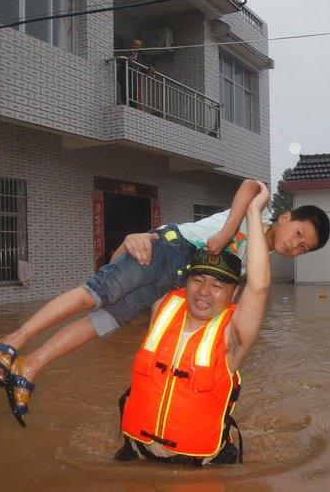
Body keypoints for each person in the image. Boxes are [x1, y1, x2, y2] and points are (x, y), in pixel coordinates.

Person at [0, 179, 330, 426]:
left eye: (303, 248)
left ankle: (29, 367)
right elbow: (252, 186)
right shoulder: (254, 217)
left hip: (171, 279)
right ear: (285, 217)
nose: (295, 246)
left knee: (101, 324)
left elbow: (236, 300)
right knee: (92, 294)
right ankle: (11, 342)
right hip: (166, 249)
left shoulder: (255, 259)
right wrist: (227, 230)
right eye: (298, 234)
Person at [114, 183, 271, 466]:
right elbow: (115, 278)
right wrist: (130, 241)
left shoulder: (232, 335)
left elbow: (258, 287)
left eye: (217, 285)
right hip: (137, 455)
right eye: (197, 280)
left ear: (234, 293)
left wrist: (253, 212)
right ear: (185, 283)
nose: (203, 292)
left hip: (200, 468)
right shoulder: (163, 305)